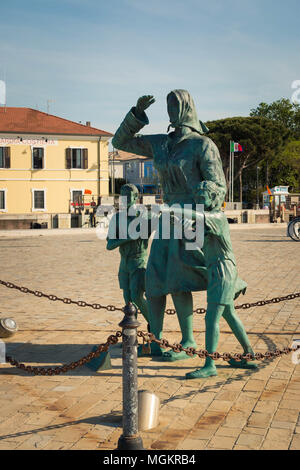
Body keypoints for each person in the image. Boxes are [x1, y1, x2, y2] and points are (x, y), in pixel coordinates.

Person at [112, 90, 232, 361]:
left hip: (192, 217)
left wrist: (207, 191)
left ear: (188, 108)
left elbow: (219, 186)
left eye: (175, 104)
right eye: (168, 105)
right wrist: (136, 115)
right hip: (168, 216)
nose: (170, 110)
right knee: (155, 279)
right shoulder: (162, 144)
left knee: (181, 280)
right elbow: (119, 141)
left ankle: (188, 341)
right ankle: (156, 340)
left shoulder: (202, 145)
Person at [181, 181, 257, 379]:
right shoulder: (204, 221)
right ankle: (249, 353)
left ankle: (210, 364)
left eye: (202, 195)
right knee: (229, 314)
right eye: (196, 195)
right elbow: (193, 245)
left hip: (223, 269)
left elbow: (198, 216)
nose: (198, 198)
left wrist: (175, 209)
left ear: (213, 197)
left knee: (211, 318)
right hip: (215, 269)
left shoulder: (217, 216)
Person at [106, 184, 150, 328]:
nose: (124, 199)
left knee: (137, 296)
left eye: (128, 196)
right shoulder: (117, 218)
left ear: (136, 198)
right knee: (128, 298)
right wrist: (128, 238)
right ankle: (132, 330)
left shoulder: (144, 217)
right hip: (124, 262)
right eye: (122, 196)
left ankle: (154, 325)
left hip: (139, 261)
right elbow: (109, 245)